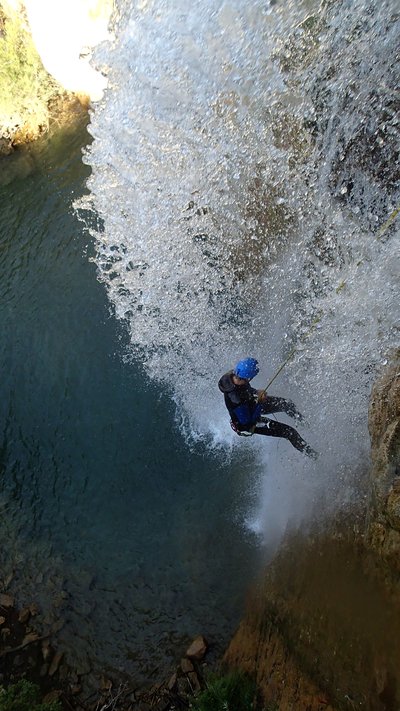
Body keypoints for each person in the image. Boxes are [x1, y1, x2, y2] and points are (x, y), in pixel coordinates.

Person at [218, 357, 318, 459]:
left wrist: (255, 392)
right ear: (248, 378)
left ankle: (307, 425)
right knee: (290, 432)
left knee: (286, 404)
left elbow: (245, 389)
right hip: (248, 423)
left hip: (251, 404)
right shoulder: (236, 400)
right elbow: (248, 421)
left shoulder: (234, 375)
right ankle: (315, 456)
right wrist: (260, 403)